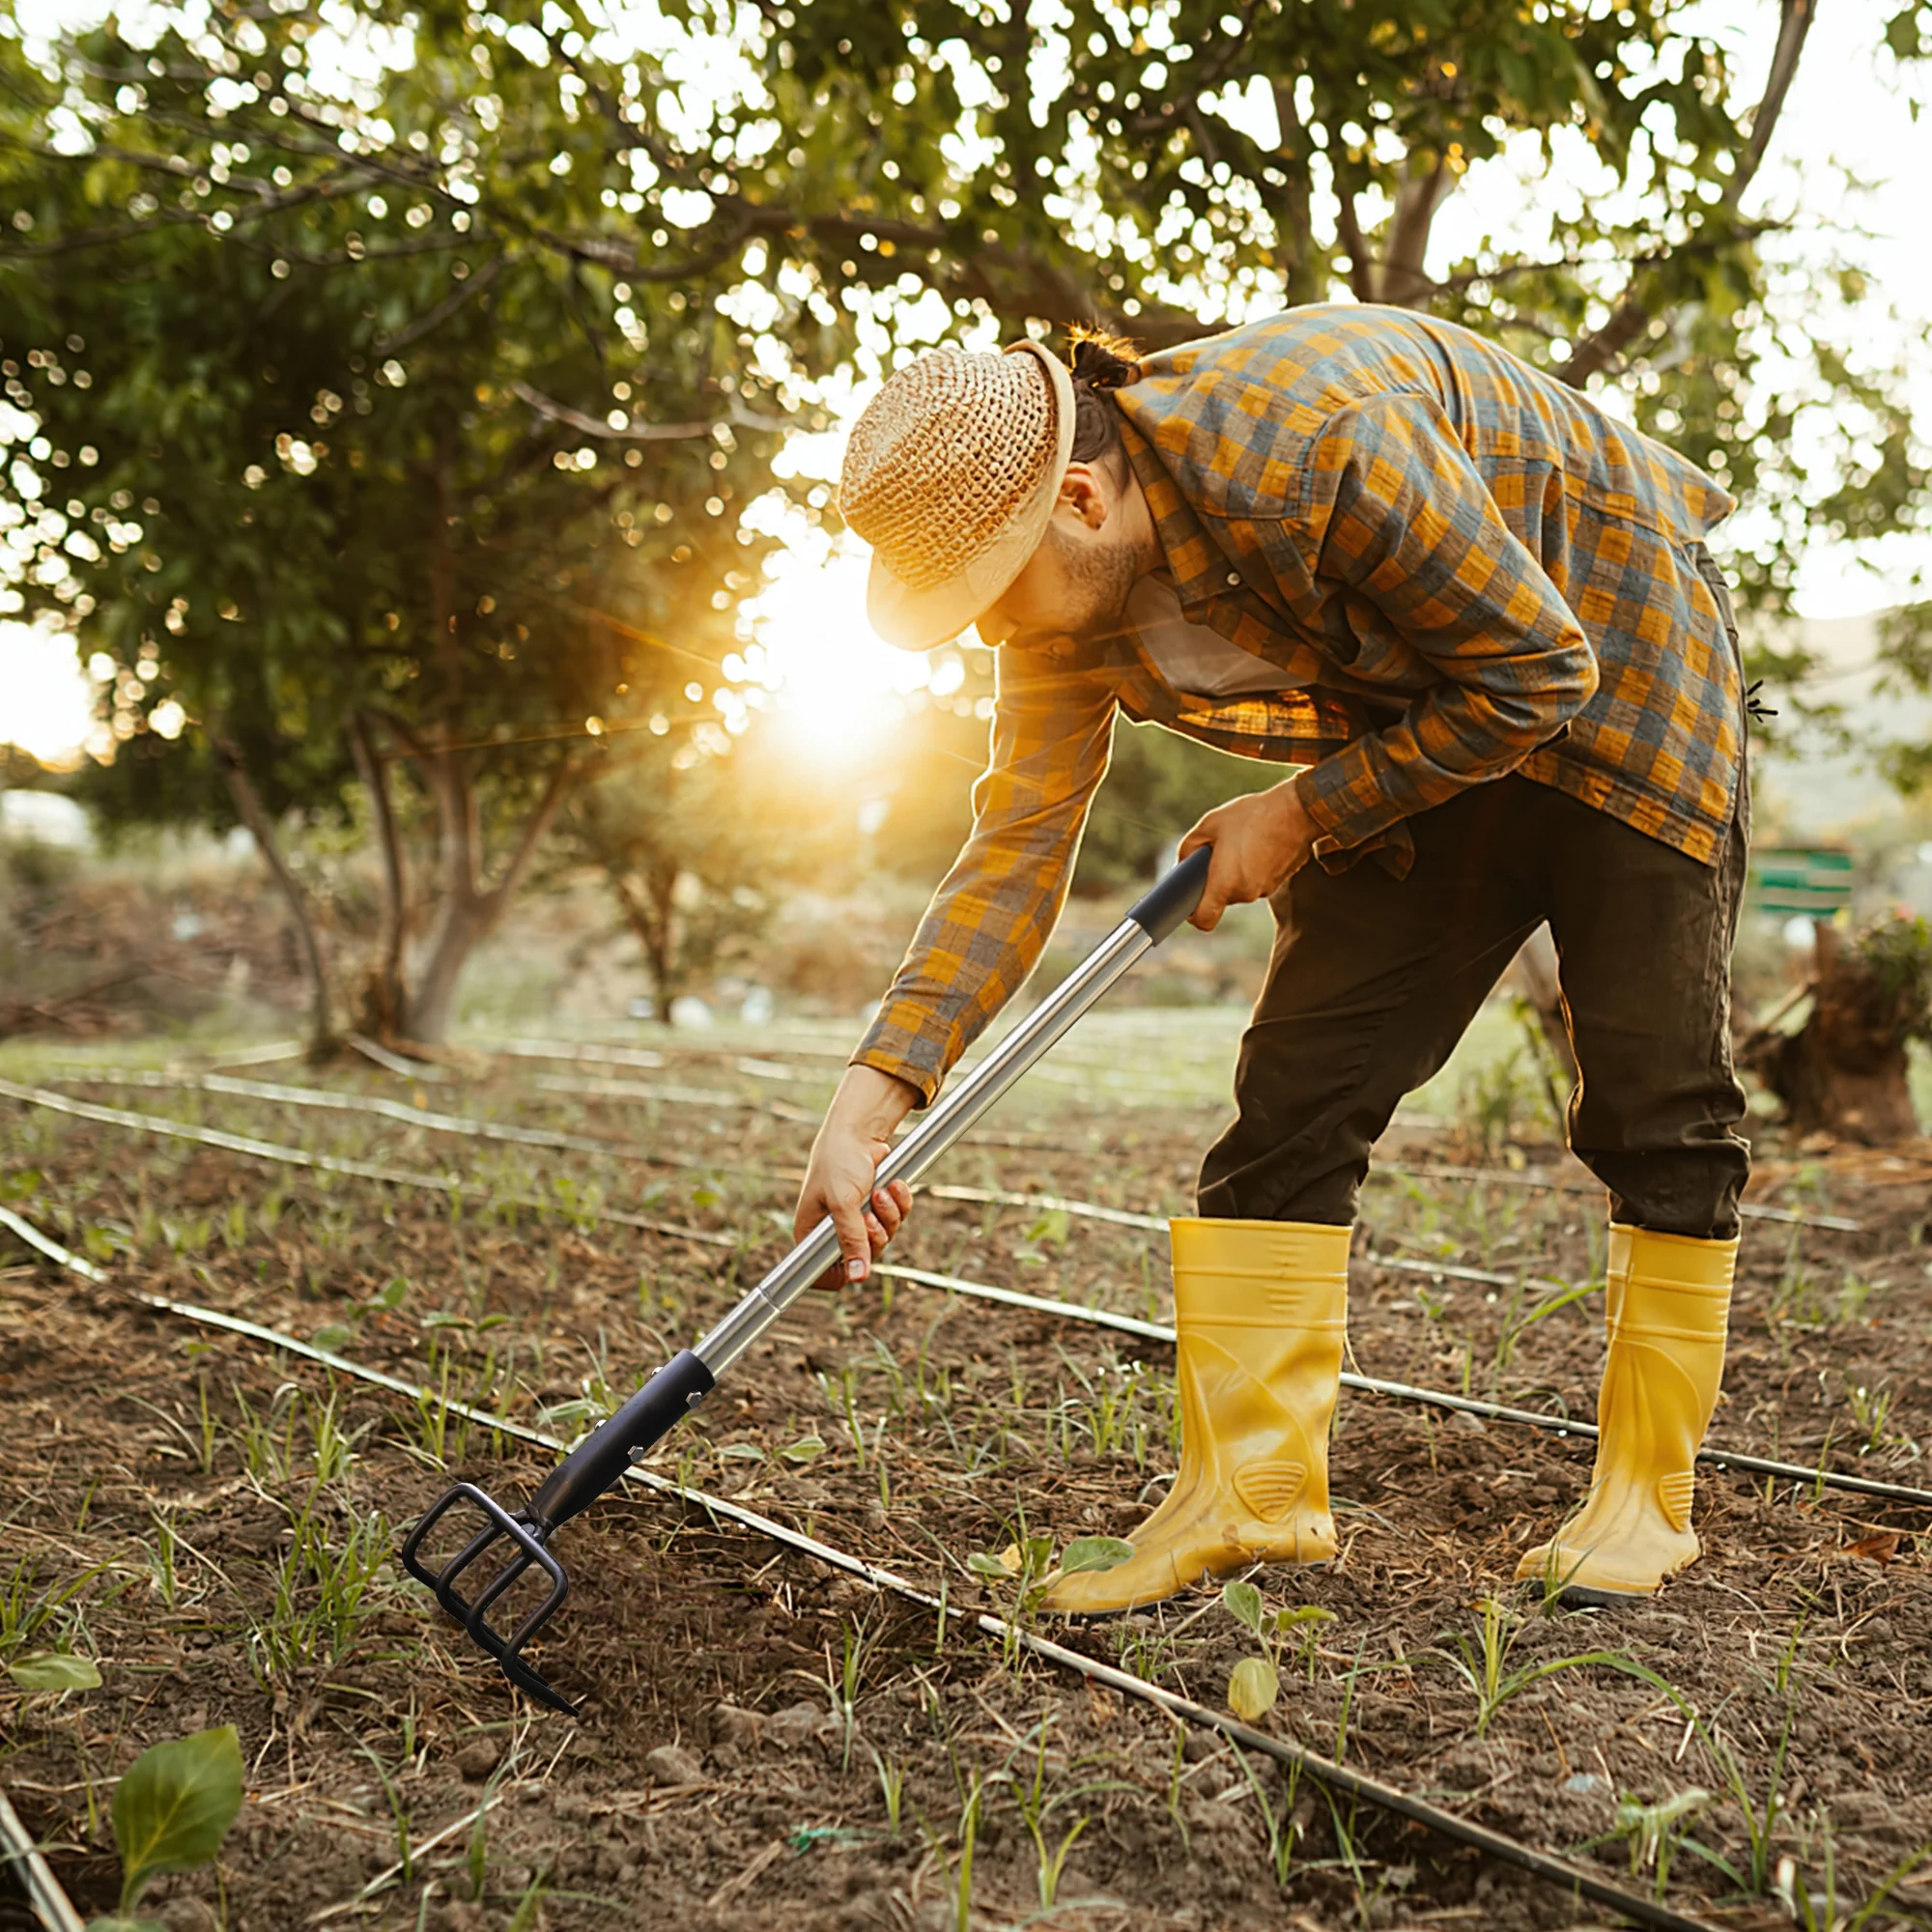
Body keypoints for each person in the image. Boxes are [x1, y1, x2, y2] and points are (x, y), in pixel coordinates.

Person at [793, 306, 1752, 1614]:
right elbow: (1016, 845)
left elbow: (1539, 671)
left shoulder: (1310, 440)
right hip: (1436, 719)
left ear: (1076, 499)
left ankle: (1650, 1498)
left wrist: (1299, 813)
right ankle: (1249, 1498)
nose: (982, 633)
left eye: (983, 597)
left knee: (1654, 1100)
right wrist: (871, 1096)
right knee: (1294, 1092)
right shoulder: (1062, 606)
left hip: (1624, 674)